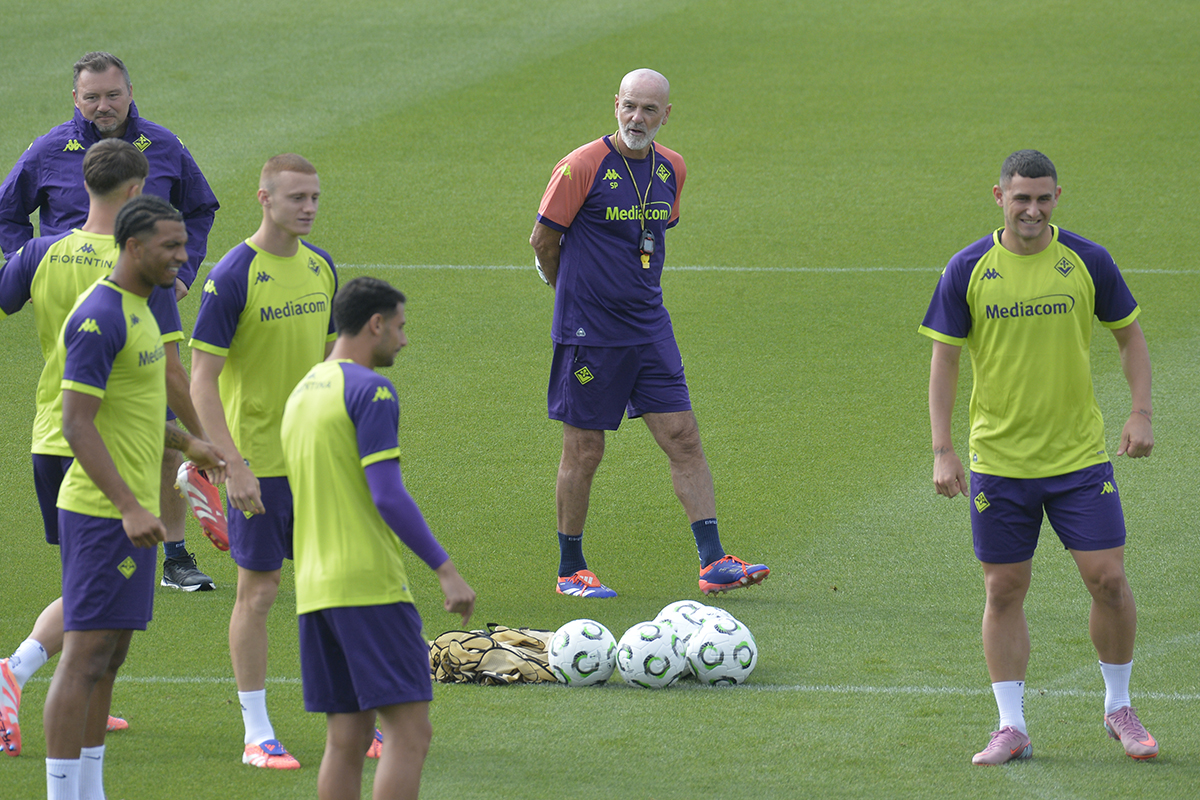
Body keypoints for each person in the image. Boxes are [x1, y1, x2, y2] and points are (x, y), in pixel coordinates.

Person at [920, 150, 1158, 765]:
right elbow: (944, 358)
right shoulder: (969, 267)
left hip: (1079, 460)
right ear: (998, 197)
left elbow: (1129, 334)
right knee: (1004, 588)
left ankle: (1119, 707)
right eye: (1021, 197)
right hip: (998, 462)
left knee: (1108, 580)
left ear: (1057, 198)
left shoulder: (1088, 260)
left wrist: (1141, 411)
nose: (1032, 209)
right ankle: (1011, 725)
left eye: (1044, 198)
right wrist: (943, 450)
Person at [0, 140, 216, 758]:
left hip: (49, 432)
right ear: (134, 192)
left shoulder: (42, 251)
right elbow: (173, 372)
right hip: (108, 440)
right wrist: (203, 442)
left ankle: (87, 687)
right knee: (95, 586)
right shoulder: (141, 267)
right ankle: (17, 670)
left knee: (86, 579)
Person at [529, 68, 769, 598]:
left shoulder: (673, 169)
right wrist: (564, 292)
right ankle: (571, 569)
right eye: (630, 106)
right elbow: (543, 240)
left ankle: (713, 562)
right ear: (615, 104)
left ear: (666, 115)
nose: (637, 118)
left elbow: (651, 237)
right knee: (585, 448)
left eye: (649, 110)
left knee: (683, 437)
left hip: (649, 326)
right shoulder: (580, 167)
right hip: (590, 332)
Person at [40, 194, 225, 800]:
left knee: (110, 659)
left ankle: (89, 789)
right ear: (133, 247)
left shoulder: (147, 306)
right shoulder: (100, 317)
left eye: (183, 243)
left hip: (132, 511)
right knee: (83, 659)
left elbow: (137, 409)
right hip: (100, 514)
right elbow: (77, 423)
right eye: (171, 246)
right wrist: (126, 503)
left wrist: (188, 442)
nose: (183, 254)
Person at [282, 276, 475, 800]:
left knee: (346, 739)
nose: (404, 340)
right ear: (375, 324)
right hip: (368, 587)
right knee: (410, 733)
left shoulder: (302, 393)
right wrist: (445, 568)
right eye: (400, 327)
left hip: (315, 590)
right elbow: (387, 495)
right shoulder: (370, 390)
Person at [190, 153, 338, 769]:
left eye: (314, 198)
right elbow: (201, 380)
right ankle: (257, 732)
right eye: (296, 197)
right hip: (259, 463)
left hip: (315, 461)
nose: (307, 207)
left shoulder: (322, 267)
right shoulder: (232, 276)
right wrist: (231, 464)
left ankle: (350, 717)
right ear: (264, 198)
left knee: (336, 586)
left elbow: (332, 363)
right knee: (260, 590)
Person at [0, 51, 219, 302]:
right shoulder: (49, 150)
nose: (103, 107)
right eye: (92, 97)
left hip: (144, 293)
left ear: (130, 92)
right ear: (76, 99)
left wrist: (182, 271)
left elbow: (200, 208)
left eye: (113, 95)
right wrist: (26, 271)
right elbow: (6, 211)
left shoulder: (164, 145)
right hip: (69, 297)